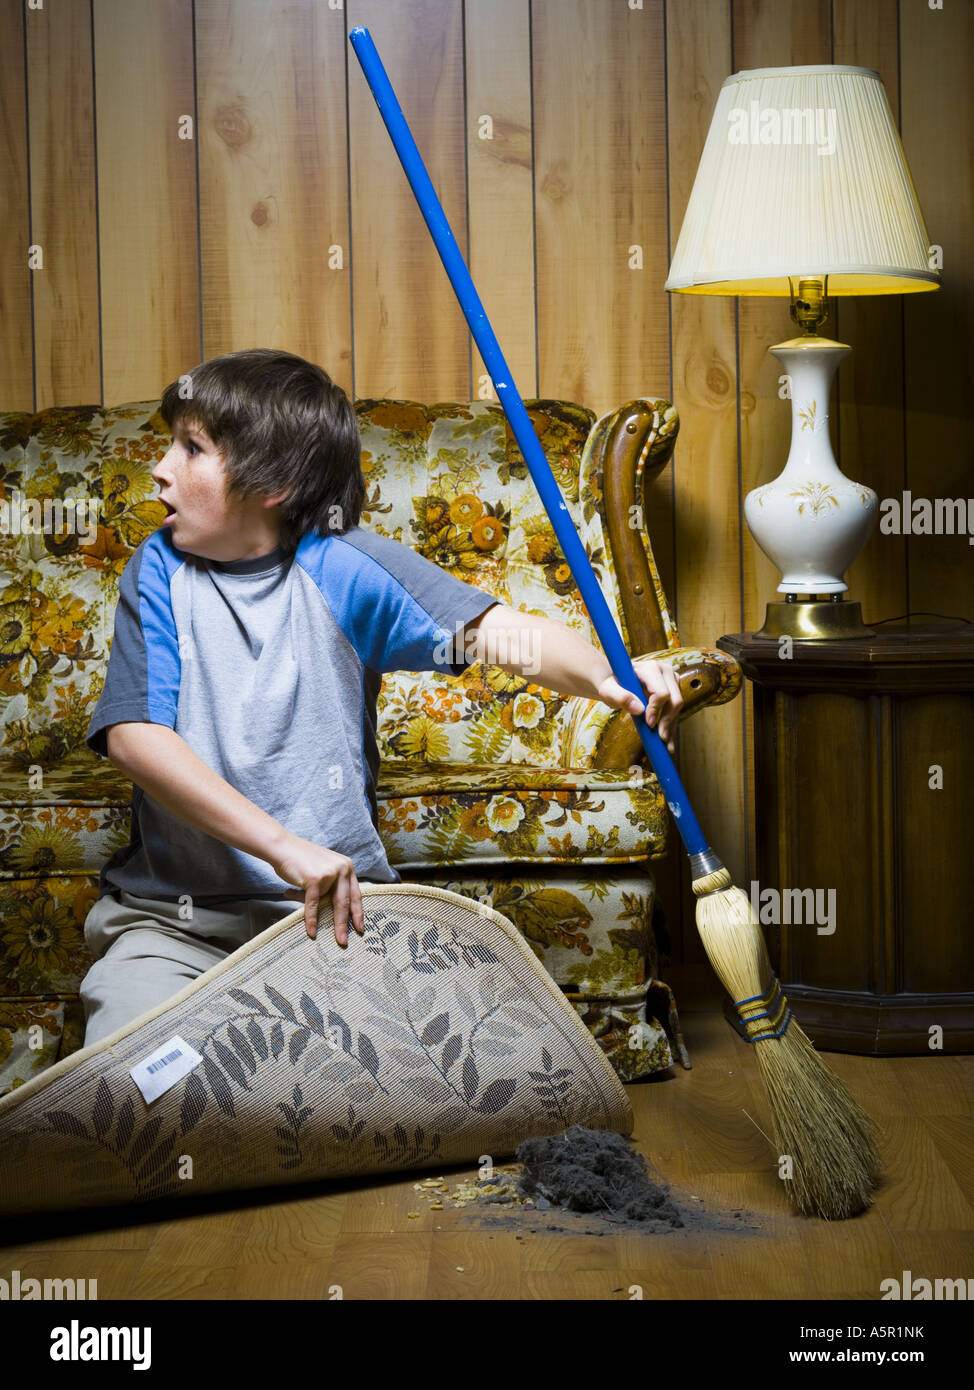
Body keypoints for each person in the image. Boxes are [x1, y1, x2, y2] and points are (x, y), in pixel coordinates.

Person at [79, 348, 683, 1047]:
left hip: (333, 921)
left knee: (430, 1070)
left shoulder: (343, 565)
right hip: (169, 926)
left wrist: (611, 676)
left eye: (191, 448)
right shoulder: (157, 570)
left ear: (273, 482)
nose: (160, 467)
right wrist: (283, 847)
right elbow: (134, 736)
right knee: (133, 1091)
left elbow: (503, 636)